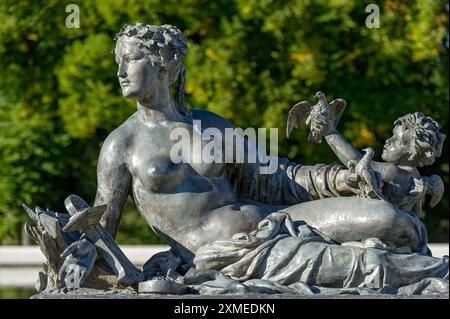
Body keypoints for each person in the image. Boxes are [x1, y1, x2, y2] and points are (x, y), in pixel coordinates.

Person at [56, 23, 447, 293]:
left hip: (275, 220)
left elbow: (280, 177)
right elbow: (99, 229)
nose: (121, 70)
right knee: (364, 264)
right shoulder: (121, 144)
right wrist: (67, 243)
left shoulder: (209, 124)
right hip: (226, 253)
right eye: (119, 61)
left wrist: (343, 178)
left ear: (165, 65)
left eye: (131, 59)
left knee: (395, 222)